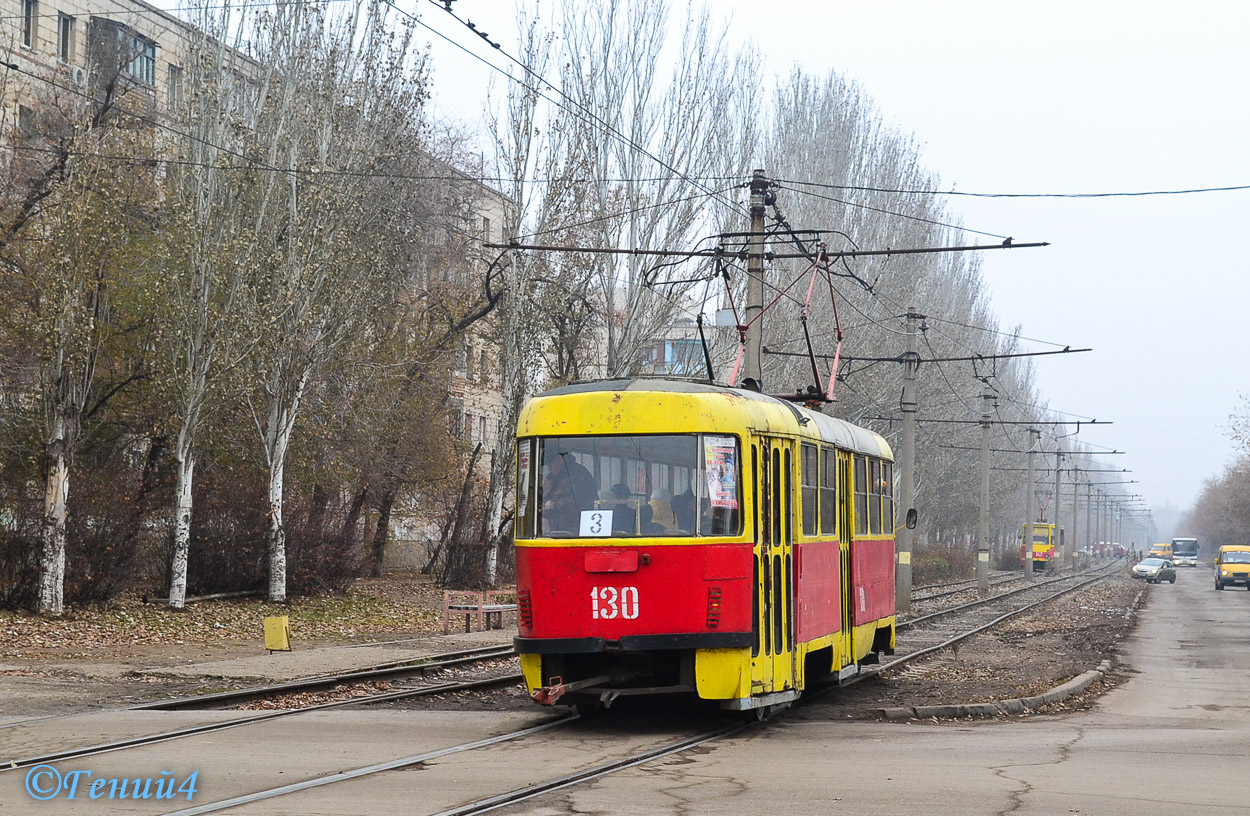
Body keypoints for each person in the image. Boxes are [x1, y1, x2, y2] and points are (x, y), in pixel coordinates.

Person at [541, 449, 596, 534]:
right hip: (555, 529)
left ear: (560, 459)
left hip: (577, 528)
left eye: (551, 464)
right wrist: (543, 508)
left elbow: (580, 502)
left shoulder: (579, 474)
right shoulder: (550, 477)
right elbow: (545, 496)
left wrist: (555, 505)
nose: (549, 468)